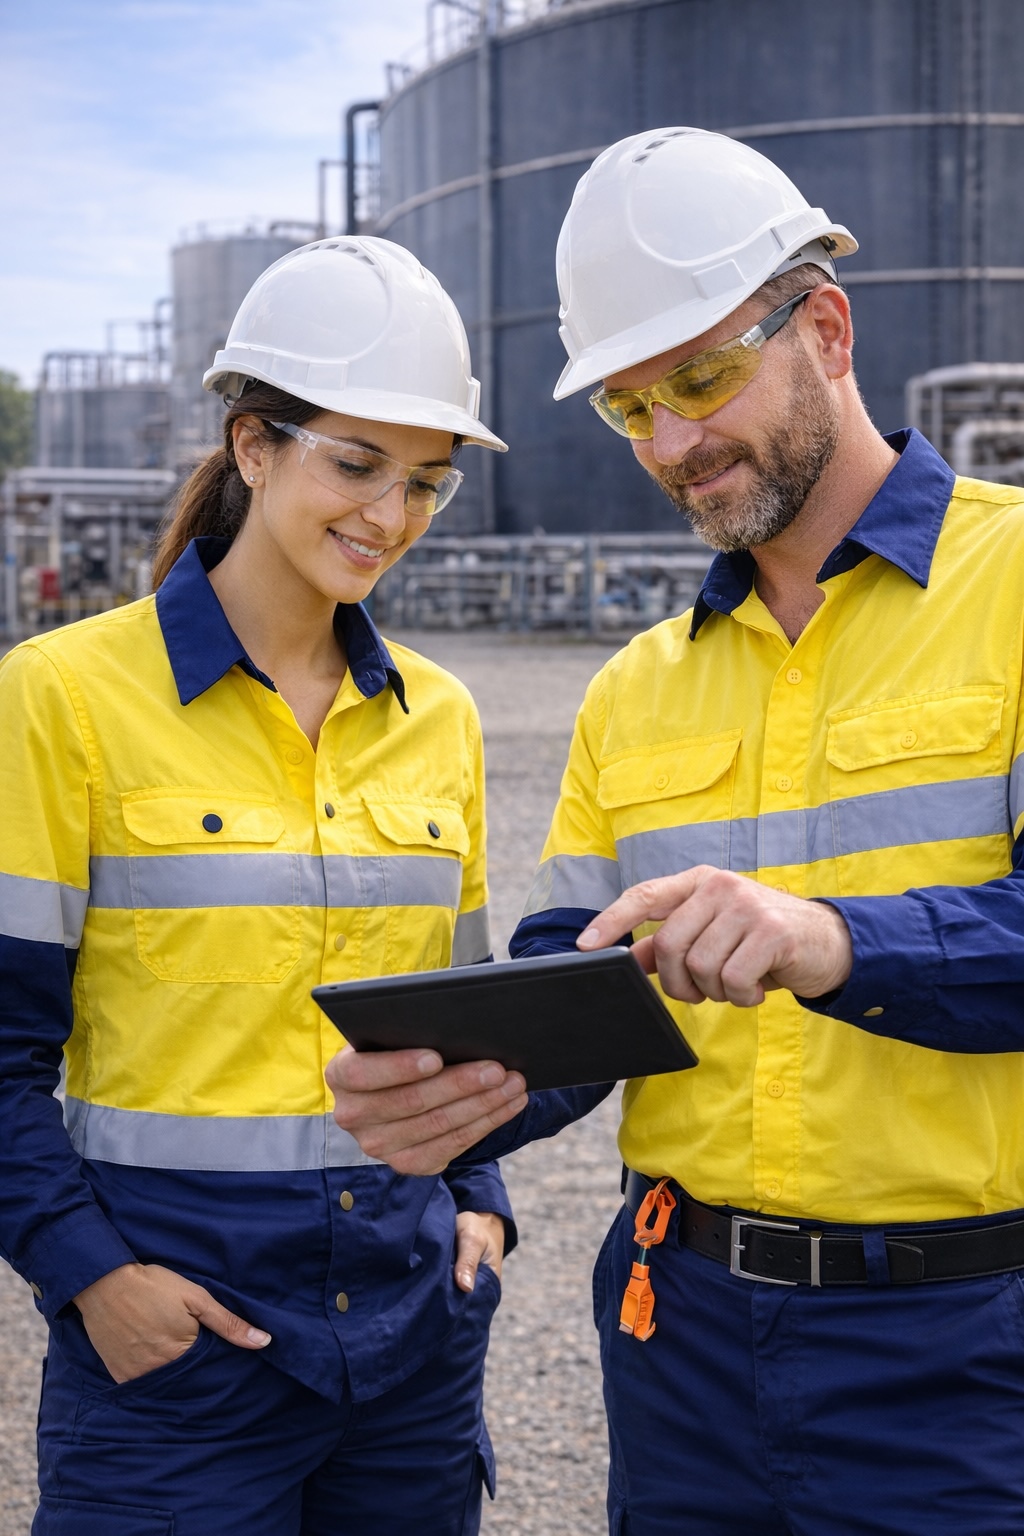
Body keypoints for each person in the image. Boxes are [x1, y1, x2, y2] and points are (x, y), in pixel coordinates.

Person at [327, 128, 1024, 1534]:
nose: (673, 444)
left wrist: (828, 940)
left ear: (824, 327)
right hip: (681, 1339)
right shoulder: (634, 689)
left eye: (701, 380)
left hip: (966, 1351)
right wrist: (466, 1092)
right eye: (629, 409)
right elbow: (571, 978)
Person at [0, 235, 515, 1536]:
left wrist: (482, 1209)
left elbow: (465, 1019)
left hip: (411, 1350)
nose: (388, 518)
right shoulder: (64, 700)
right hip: (179, 1365)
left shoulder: (437, 717)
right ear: (251, 446)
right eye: (355, 465)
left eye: (425, 484)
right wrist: (94, 1283)